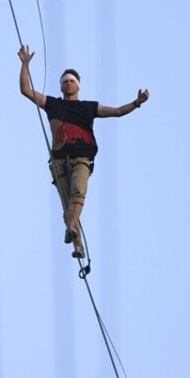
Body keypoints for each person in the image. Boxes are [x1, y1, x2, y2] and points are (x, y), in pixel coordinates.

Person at [18, 45, 149, 259]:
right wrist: (24, 64)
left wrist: (136, 103)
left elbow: (116, 112)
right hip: (59, 162)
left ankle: (71, 229)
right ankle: (78, 246)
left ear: (78, 85)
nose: (68, 84)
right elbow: (25, 90)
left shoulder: (88, 107)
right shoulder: (52, 104)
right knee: (68, 205)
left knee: (77, 195)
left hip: (81, 160)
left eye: (71, 81)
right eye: (64, 82)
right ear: (61, 87)